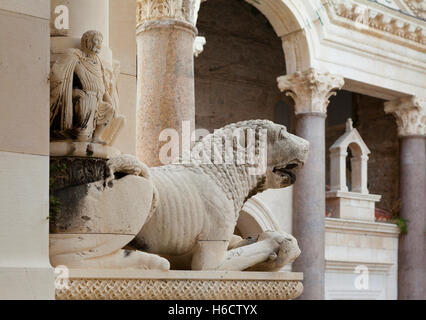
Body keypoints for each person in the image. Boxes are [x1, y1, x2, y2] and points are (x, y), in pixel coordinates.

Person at [50, 30, 117, 143]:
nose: (99, 44)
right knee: (89, 98)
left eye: (101, 41)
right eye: (96, 40)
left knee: (110, 109)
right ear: (86, 41)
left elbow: (103, 87)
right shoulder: (75, 56)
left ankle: (96, 137)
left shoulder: (99, 62)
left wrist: (110, 102)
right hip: (85, 98)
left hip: (98, 99)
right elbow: (60, 76)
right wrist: (73, 92)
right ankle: (83, 135)